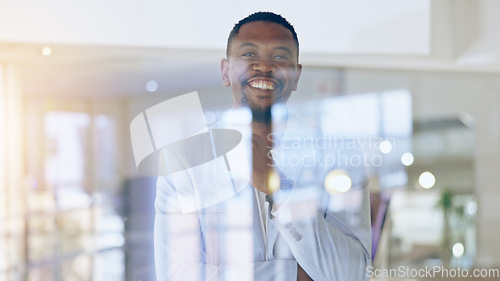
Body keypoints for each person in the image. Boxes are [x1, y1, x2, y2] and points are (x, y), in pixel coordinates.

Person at [154, 12, 371, 281]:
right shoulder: (183, 160)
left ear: (296, 75)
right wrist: (294, 275)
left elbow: (353, 273)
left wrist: (280, 194)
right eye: (248, 54)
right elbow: (177, 274)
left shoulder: (339, 154)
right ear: (225, 71)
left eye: (280, 57)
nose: (264, 66)